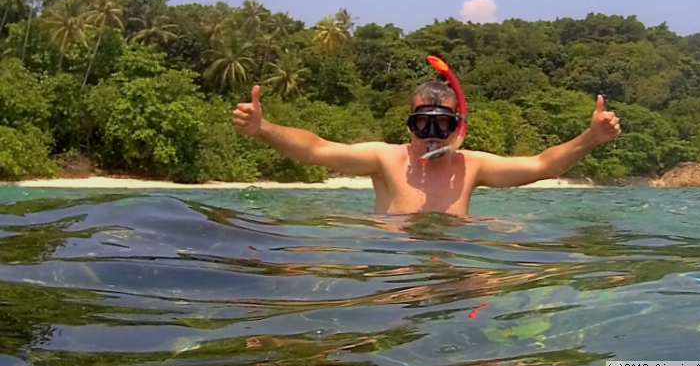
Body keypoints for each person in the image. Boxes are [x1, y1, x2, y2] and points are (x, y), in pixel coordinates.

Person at [233, 80, 620, 216]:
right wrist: (263, 127)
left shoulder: (472, 166)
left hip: (455, 263)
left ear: (457, 126)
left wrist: (591, 138)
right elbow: (316, 149)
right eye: (422, 122)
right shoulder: (384, 159)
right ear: (410, 123)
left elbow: (541, 165)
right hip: (394, 264)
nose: (432, 133)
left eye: (442, 123)